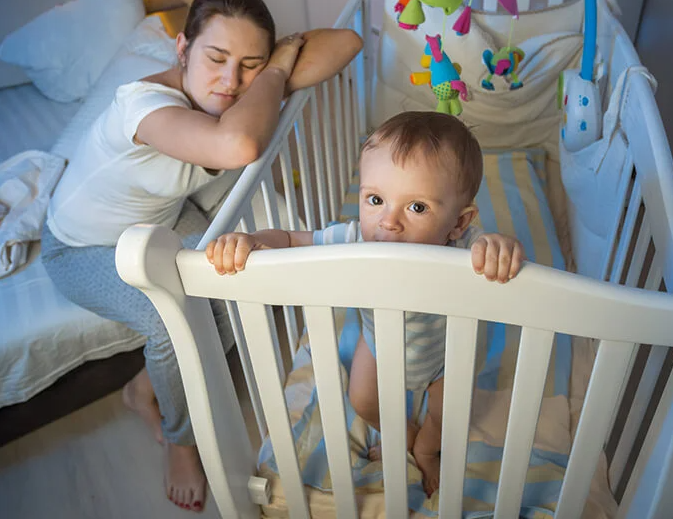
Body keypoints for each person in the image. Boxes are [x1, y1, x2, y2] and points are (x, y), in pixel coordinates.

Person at [40, 0, 362, 512]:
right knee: (172, 320)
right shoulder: (143, 106)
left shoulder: (235, 87)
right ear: (182, 49)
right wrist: (276, 69)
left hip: (159, 220)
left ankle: (143, 386)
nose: (230, 82)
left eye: (249, 64)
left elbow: (348, 41)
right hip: (81, 246)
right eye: (215, 58)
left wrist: (277, 60)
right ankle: (181, 439)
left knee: (233, 278)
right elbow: (239, 144)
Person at [206, 111, 526, 496]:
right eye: (376, 200)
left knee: (449, 416)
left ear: (458, 222)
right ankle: (402, 433)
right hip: (378, 345)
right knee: (362, 401)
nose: (388, 222)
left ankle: (425, 450)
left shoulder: (463, 247)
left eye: (417, 207)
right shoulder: (357, 238)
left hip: (445, 355)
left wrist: (500, 247)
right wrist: (253, 240)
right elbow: (291, 240)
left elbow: (493, 251)